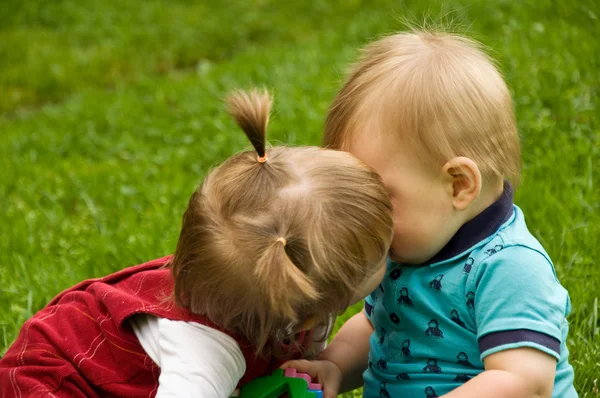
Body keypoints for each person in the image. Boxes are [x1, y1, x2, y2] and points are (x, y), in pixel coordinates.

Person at [0, 89, 394, 398]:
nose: (393, 249)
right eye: (383, 252)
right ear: (316, 312)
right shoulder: (206, 355)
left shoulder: (281, 287)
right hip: (58, 381)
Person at [283, 30, 577, 398]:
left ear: (457, 185)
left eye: (380, 199)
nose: (366, 219)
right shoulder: (409, 245)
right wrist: (336, 367)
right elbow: (375, 326)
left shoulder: (509, 267)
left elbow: (523, 381)